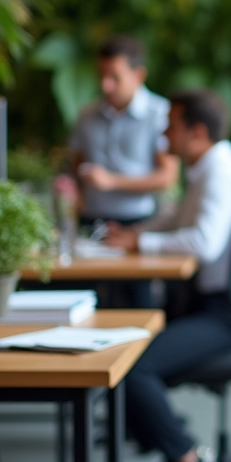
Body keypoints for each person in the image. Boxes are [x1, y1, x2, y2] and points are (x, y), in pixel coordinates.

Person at [105, 88, 231, 462]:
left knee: (132, 365)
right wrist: (134, 234)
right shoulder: (208, 169)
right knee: (123, 348)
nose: (163, 135)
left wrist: (140, 245)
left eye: (171, 126)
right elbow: (177, 217)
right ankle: (164, 433)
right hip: (209, 304)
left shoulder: (221, 174)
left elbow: (203, 243)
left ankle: (187, 461)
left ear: (197, 132)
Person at [68, 35, 179, 308]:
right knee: (91, 306)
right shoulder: (87, 114)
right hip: (91, 224)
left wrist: (111, 181)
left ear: (138, 75)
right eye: (101, 76)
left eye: (114, 77)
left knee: (137, 306)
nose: (105, 85)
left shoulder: (159, 114)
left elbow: (167, 176)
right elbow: (74, 166)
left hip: (137, 223)